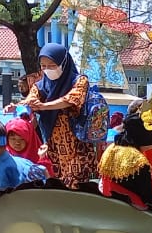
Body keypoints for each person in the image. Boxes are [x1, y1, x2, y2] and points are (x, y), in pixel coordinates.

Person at [7, 43, 97, 185]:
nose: (47, 69)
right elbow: (30, 100)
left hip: (77, 146)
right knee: (54, 184)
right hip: (52, 146)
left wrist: (44, 106)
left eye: (52, 65)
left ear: (63, 62)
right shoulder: (40, 85)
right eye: (43, 66)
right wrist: (16, 106)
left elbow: (70, 100)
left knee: (75, 188)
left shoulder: (79, 81)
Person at [98, 109, 152, 211]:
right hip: (132, 211)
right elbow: (149, 200)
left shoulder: (111, 148)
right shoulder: (139, 161)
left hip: (109, 205)